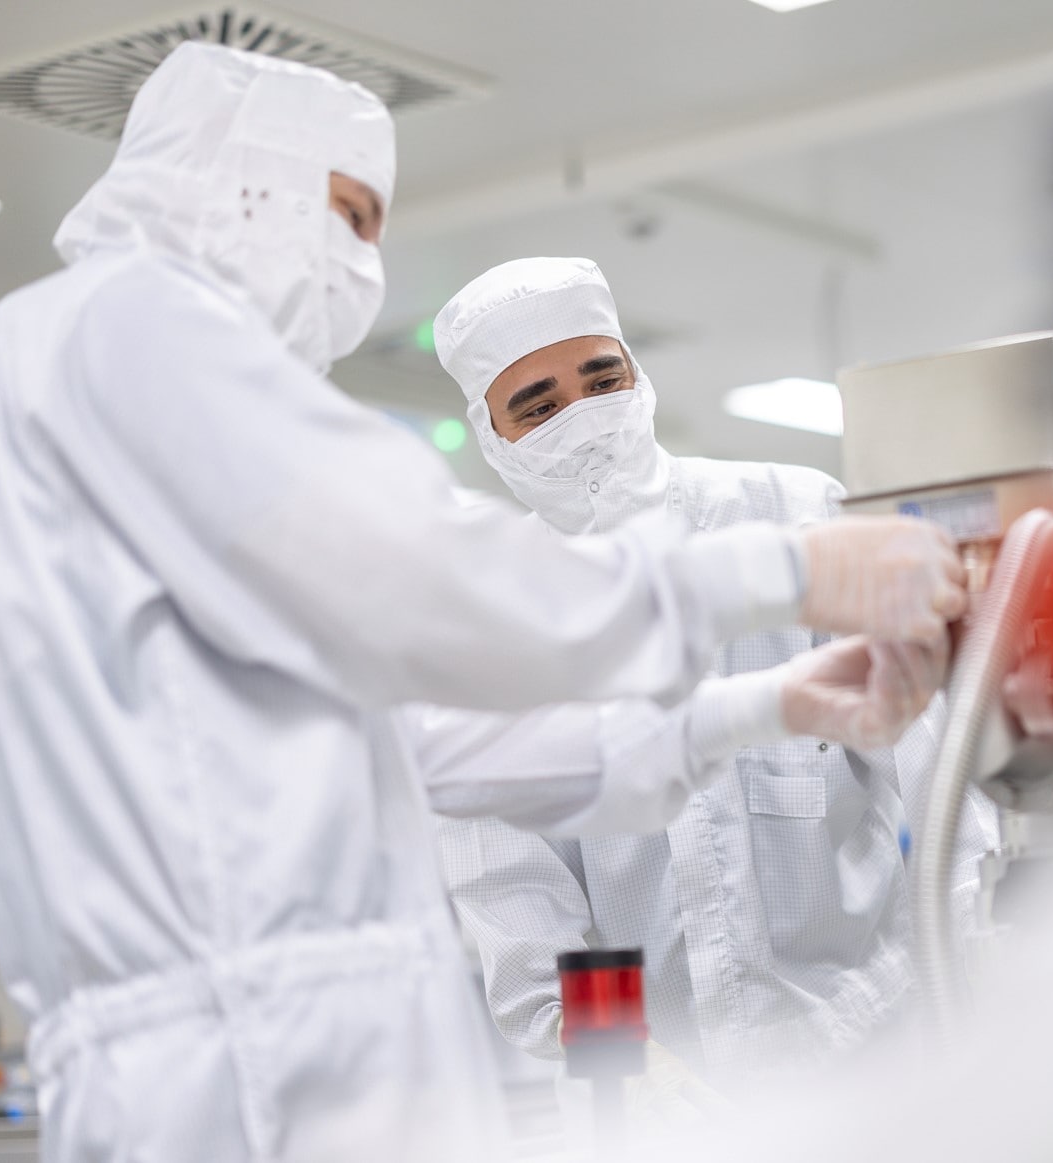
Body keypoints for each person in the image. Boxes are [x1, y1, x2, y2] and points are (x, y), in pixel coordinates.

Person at [0, 44, 965, 1163]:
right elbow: (432, 586)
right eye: (347, 216)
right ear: (244, 178)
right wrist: (788, 573)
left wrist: (762, 709)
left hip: (274, 1044)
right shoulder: (129, 328)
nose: (361, 269)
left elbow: (451, 742)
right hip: (249, 1061)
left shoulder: (101, 375)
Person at [418, 258, 999, 1116]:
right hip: (658, 1100)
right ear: (493, 435)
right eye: (536, 405)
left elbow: (937, 772)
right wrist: (633, 1071)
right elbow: (516, 893)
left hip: (874, 1058)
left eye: (601, 378)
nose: (580, 417)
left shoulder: (796, 515)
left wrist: (967, 975)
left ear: (638, 378)